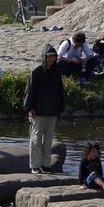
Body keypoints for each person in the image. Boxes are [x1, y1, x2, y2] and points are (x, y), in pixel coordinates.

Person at [23, 45, 64, 174]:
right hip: (38, 111)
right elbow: (29, 91)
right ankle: (35, 165)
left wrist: (60, 109)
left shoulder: (57, 73)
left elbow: (60, 92)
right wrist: (29, 107)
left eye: (53, 56)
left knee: (48, 140)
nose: (51, 59)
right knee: (36, 140)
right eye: (49, 56)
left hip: (52, 111)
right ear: (44, 57)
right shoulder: (36, 72)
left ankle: (46, 164)